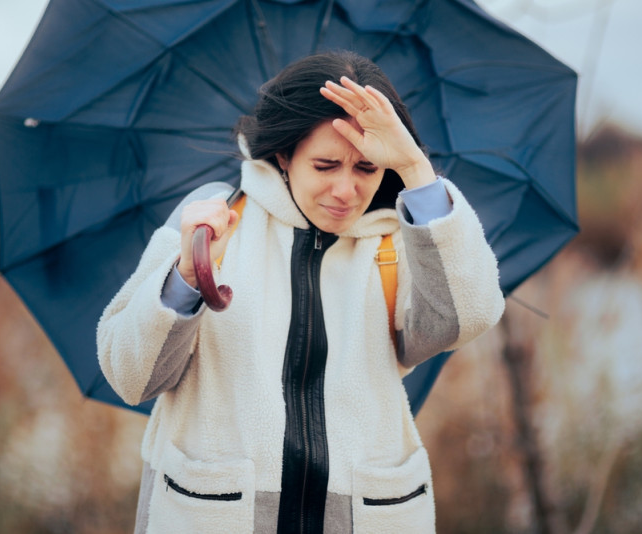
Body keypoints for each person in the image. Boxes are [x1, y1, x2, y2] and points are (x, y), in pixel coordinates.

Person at [97, 50, 504, 534]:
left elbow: (470, 315)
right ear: (285, 155)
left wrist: (417, 169)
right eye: (326, 164)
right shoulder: (213, 219)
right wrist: (188, 274)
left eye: (367, 169)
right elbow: (131, 377)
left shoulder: (405, 241)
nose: (345, 191)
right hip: (217, 513)